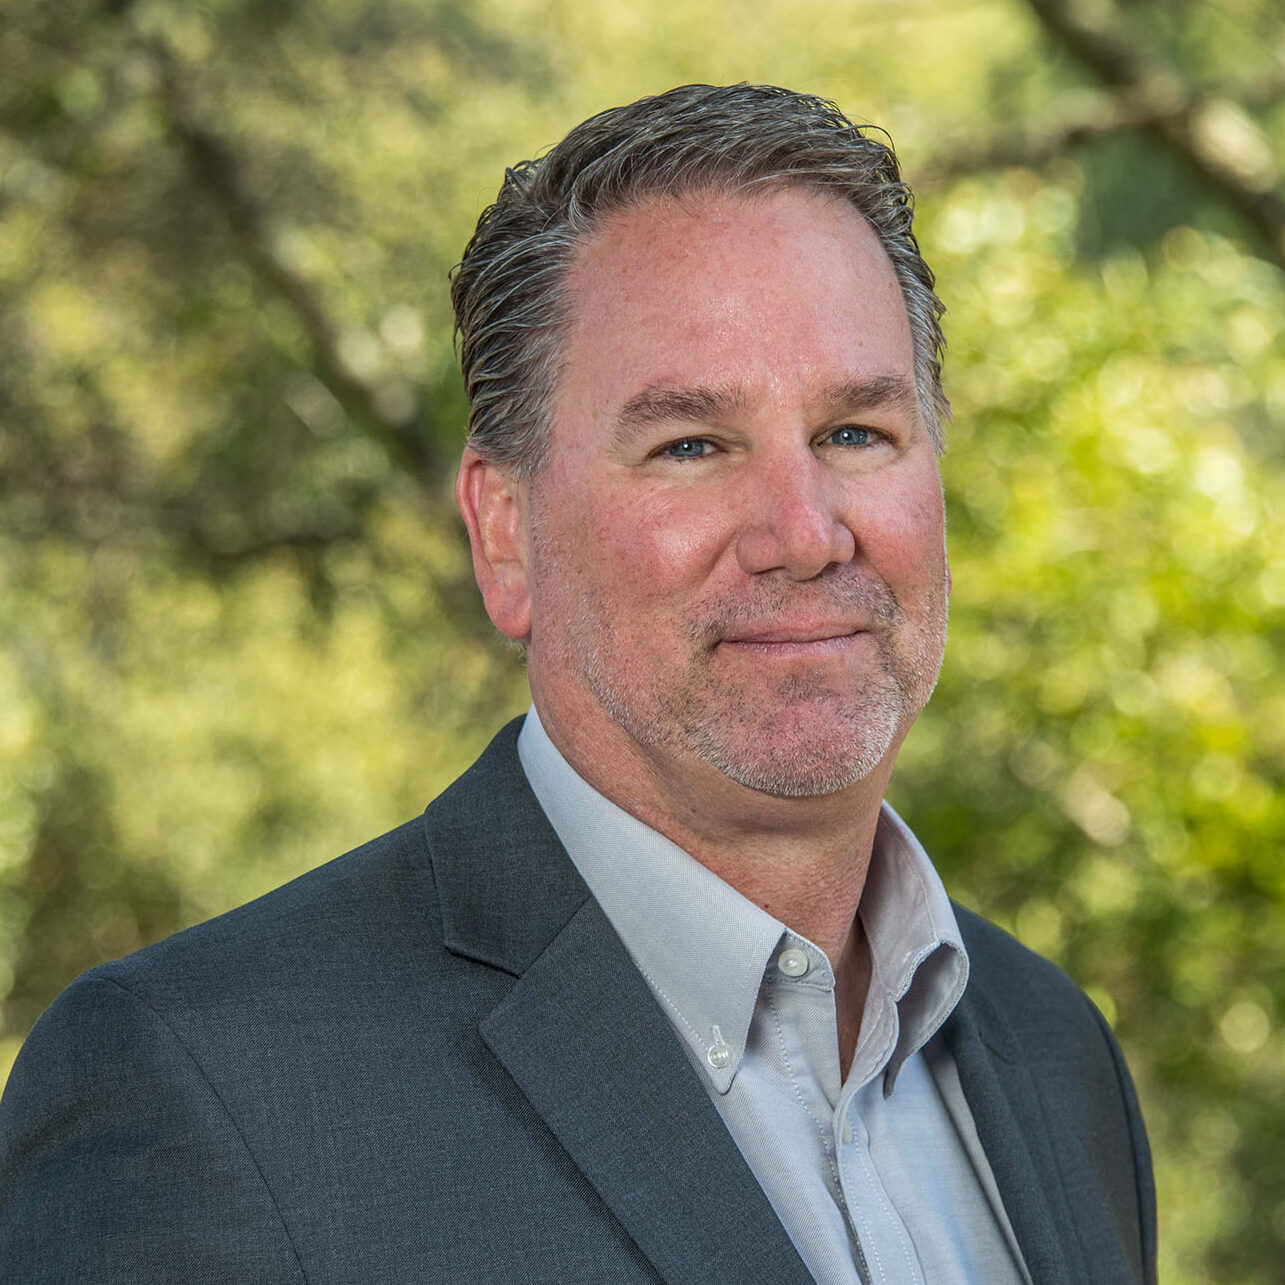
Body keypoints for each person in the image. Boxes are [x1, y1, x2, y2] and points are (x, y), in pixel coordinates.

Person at [0, 84, 1155, 1284]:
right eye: (691, 446)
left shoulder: (1051, 1054)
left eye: (856, 432)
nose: (805, 531)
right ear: (506, 536)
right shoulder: (203, 1090)